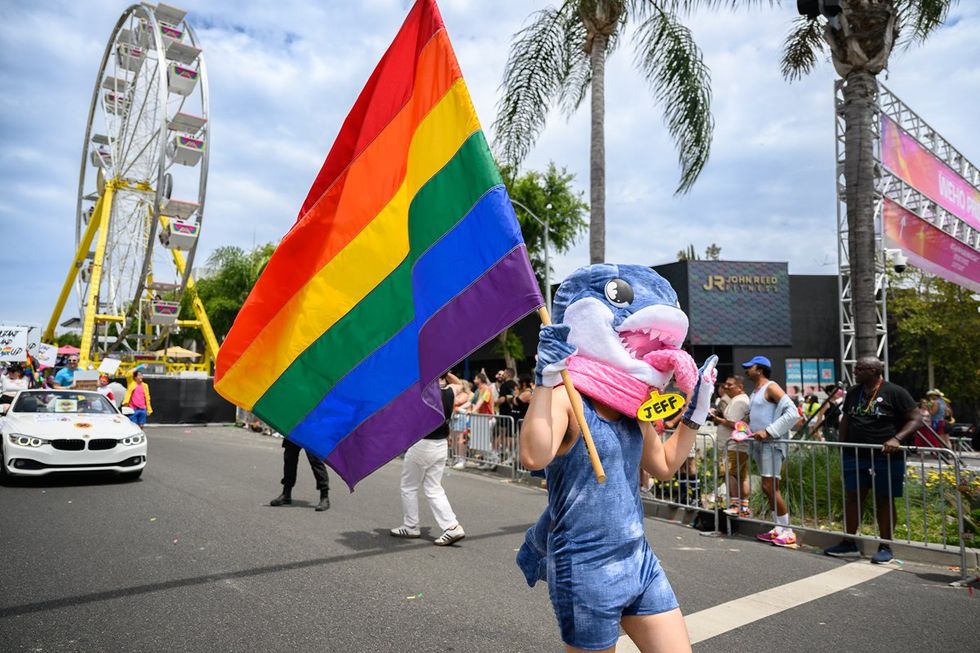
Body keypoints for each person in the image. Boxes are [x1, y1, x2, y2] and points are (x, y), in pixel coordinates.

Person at [516, 263, 719, 653]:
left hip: (638, 557)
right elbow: (533, 455)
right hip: (585, 566)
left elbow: (662, 466)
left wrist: (695, 415)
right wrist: (546, 382)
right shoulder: (567, 400)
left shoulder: (634, 407)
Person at [824, 357, 921, 564]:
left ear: (875, 371)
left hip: (886, 457)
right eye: (855, 368)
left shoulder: (895, 392)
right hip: (855, 454)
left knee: (884, 499)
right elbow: (847, 420)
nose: (855, 371)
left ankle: (885, 546)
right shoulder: (853, 392)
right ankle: (849, 542)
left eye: (860, 368)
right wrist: (842, 446)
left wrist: (896, 439)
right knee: (853, 497)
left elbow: (916, 418)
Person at [390, 372, 466, 546]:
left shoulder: (421, 393)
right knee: (433, 488)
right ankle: (451, 526)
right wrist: (446, 371)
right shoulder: (449, 391)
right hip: (440, 445)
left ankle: (411, 525)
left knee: (409, 486)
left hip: (423, 444)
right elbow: (459, 384)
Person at [742, 355, 801, 547]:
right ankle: (778, 528)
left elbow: (793, 413)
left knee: (770, 487)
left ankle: (788, 531)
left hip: (772, 444)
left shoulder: (771, 387)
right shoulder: (755, 393)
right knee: (769, 488)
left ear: (759, 369)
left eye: (750, 367)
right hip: (761, 444)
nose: (746, 370)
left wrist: (768, 431)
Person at [709, 376, 751, 517]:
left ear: (740, 387)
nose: (726, 387)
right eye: (725, 384)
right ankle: (743, 507)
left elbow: (735, 424)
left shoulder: (739, 401)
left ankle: (735, 505)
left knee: (728, 472)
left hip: (734, 444)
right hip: (738, 444)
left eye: (730, 385)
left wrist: (717, 419)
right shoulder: (739, 400)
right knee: (741, 476)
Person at [270, 438, 331, 512]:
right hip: (294, 429)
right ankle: (286, 494)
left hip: (310, 430)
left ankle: (324, 496)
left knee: (315, 461)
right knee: (289, 459)